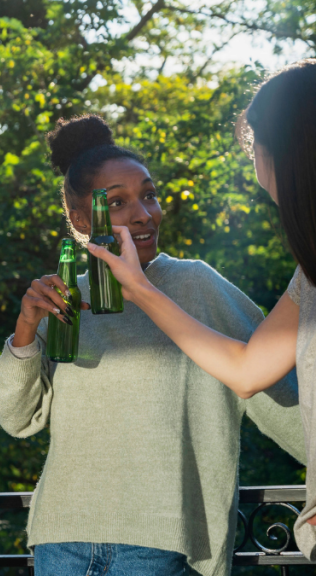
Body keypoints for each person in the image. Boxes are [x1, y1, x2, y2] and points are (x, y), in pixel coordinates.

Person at [0, 114, 305, 576]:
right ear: (81, 219)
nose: (144, 213)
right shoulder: (64, 297)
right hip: (62, 542)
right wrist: (23, 331)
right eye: (118, 202)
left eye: (150, 195)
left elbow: (281, 390)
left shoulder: (196, 286)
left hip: (163, 545)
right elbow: (18, 419)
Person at [85, 60, 316, 558]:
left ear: (289, 152)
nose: (255, 168)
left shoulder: (201, 280)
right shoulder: (309, 275)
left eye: (255, 149)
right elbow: (247, 369)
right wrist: (140, 289)